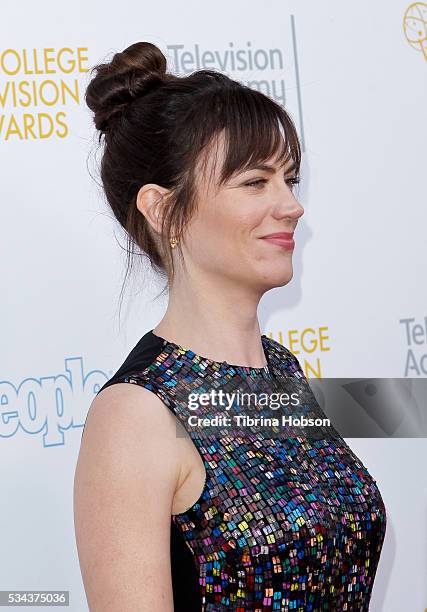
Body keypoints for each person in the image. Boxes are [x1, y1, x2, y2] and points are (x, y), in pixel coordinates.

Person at [73, 41, 387, 611]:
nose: (292, 205)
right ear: (163, 210)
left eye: (289, 179)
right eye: (255, 182)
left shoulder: (282, 372)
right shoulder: (137, 413)